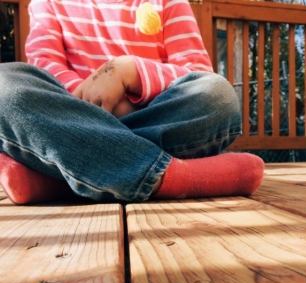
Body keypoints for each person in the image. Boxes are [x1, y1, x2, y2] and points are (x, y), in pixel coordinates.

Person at [0, 0, 264, 204]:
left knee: (217, 95)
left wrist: (129, 71)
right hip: (75, 114)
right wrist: (96, 105)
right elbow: (45, 66)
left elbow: (197, 71)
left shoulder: (168, 2)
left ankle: (56, 178)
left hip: (145, 118)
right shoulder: (48, 2)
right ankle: (177, 177)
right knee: (4, 84)